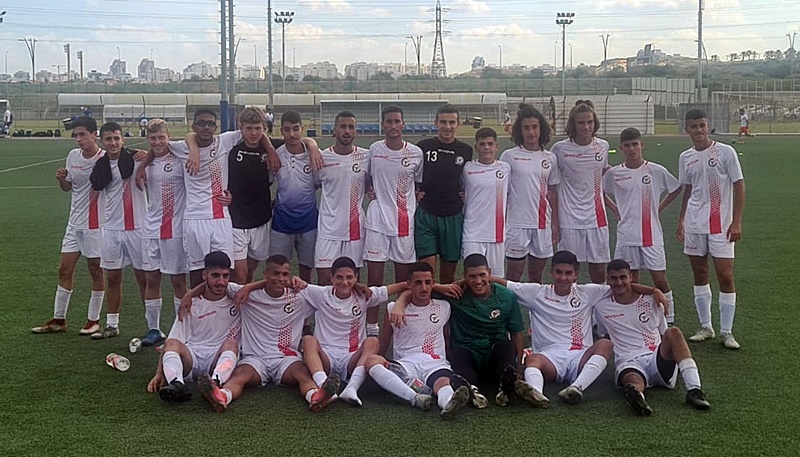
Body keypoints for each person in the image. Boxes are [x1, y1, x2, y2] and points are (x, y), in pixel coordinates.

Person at [187, 255, 338, 413]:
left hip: (286, 357)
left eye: (285, 274)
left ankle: (316, 397)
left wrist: (358, 288)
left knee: (303, 374)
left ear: (290, 276)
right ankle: (221, 396)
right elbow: (211, 285)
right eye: (276, 273)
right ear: (265, 274)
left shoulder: (300, 295)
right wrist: (188, 296)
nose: (280, 278)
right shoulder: (247, 294)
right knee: (240, 375)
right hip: (255, 358)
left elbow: (336, 290)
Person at [393, 253, 525, 407]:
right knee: (459, 354)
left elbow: (517, 333)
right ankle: (472, 389)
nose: (478, 281)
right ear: (465, 276)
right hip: (468, 352)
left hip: (493, 354)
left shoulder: (506, 296)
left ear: (489, 273)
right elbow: (419, 290)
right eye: (472, 276)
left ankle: (508, 382)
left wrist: (518, 367)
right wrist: (400, 302)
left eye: (482, 275)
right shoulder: (456, 293)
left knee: (507, 346)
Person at [595, 259, 711, 415]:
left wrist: (654, 291)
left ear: (631, 277)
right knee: (632, 379)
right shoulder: (601, 307)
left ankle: (694, 389)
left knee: (674, 332)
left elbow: (664, 332)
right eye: (614, 278)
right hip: (628, 360)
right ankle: (637, 397)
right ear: (608, 280)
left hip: (656, 357)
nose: (619, 282)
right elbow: (602, 333)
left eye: (623, 277)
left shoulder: (652, 300)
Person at [366, 262, 471, 420]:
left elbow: (446, 336)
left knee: (443, 383)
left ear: (433, 284)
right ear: (409, 284)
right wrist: (377, 366)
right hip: (405, 365)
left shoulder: (444, 307)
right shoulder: (394, 309)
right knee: (372, 360)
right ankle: (415, 397)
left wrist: (450, 360)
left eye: (428, 283)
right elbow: (385, 341)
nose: (424, 287)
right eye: (418, 283)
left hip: (434, 363)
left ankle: (449, 404)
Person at [677, 109, 746, 350]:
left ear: (708, 126)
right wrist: (681, 220)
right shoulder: (685, 157)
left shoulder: (725, 152)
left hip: (721, 225)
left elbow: (739, 185)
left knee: (725, 276)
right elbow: (688, 190)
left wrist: (736, 221)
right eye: (694, 126)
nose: (699, 130)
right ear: (687, 129)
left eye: (702, 125)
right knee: (700, 274)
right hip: (695, 224)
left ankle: (727, 331)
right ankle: (706, 326)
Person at [32, 116, 106, 335]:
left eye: (83, 134)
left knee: (95, 270)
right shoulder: (73, 155)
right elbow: (68, 188)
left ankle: (93, 320)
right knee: (64, 269)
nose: (78, 139)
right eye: (76, 135)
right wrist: (61, 179)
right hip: (74, 224)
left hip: (95, 224)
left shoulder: (104, 158)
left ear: (94, 135)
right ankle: (59, 319)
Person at [300, 256, 406, 407]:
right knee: (308, 340)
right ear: (331, 277)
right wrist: (296, 280)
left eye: (349, 277)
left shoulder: (364, 295)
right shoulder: (320, 293)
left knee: (372, 341)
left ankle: (351, 389)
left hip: (351, 358)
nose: (344, 282)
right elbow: (289, 282)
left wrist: (401, 302)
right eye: (339, 277)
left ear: (356, 277)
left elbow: (403, 286)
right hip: (325, 357)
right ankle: (324, 385)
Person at [603, 127, 681, 325]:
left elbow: (676, 187)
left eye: (635, 144)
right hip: (626, 236)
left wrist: (660, 206)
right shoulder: (615, 173)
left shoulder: (655, 170)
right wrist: (613, 208)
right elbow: (599, 192)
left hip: (651, 235)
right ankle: (635, 318)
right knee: (631, 280)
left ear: (641, 145)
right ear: (621, 148)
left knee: (660, 279)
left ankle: (669, 319)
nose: (631, 149)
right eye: (627, 145)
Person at [146, 251, 240, 403]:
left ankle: (215, 384)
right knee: (172, 343)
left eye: (225, 276)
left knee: (232, 343)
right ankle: (177, 385)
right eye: (215, 275)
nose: (221, 282)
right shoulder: (190, 304)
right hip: (192, 358)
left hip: (217, 358)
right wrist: (159, 373)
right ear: (205, 275)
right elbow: (172, 341)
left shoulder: (237, 297)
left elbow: (264, 286)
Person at [364, 105, 423, 335]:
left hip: (404, 222)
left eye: (397, 121)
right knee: (375, 278)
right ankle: (371, 327)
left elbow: (419, 185)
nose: (393, 125)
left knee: (403, 278)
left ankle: (401, 324)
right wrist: (369, 189)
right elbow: (366, 177)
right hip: (377, 220)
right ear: (383, 125)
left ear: (403, 124)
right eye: (389, 121)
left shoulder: (415, 153)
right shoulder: (374, 149)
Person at [89, 122, 149, 340]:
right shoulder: (100, 166)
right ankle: (112, 324)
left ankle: (152, 326)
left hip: (138, 228)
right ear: (102, 142)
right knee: (113, 278)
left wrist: (149, 156)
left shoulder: (137, 159)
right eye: (108, 139)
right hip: (112, 229)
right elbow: (95, 185)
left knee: (144, 278)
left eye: (116, 138)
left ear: (123, 139)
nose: (113, 143)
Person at [550, 100, 612, 284]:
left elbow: (601, 175)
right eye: (581, 123)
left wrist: (613, 206)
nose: (586, 127)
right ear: (573, 124)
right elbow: (550, 183)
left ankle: (598, 303)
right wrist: (554, 222)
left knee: (598, 270)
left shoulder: (603, 146)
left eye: (590, 122)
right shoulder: (559, 149)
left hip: (596, 217)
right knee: (567, 270)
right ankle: (570, 302)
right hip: (569, 219)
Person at [140, 119, 188, 342]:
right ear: (147, 139)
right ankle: (153, 329)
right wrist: (142, 164)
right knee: (151, 280)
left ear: (169, 137)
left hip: (175, 230)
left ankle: (181, 330)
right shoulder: (144, 161)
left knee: (178, 281)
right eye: (153, 138)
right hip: (151, 229)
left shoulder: (180, 160)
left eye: (161, 137)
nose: (157, 142)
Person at [500, 104, 560, 283]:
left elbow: (552, 191)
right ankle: (511, 304)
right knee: (513, 276)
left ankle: (535, 304)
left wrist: (555, 224)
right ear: (520, 130)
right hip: (516, 224)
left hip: (541, 224)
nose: (531, 132)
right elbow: (501, 191)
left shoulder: (550, 158)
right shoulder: (509, 156)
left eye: (535, 127)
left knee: (536, 276)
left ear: (541, 129)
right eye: (526, 128)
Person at [415, 104, 473, 284]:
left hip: (453, 215)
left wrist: (465, 193)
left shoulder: (466, 150)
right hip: (427, 214)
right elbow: (411, 174)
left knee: (448, 277)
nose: (447, 127)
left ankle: (444, 303)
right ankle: (427, 302)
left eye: (452, 122)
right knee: (427, 274)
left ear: (458, 124)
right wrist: (415, 191)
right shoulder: (423, 147)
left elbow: (468, 179)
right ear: (436, 123)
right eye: (443, 122)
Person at [314, 111, 370, 286]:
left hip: (354, 229)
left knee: (353, 281)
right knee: (325, 281)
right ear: (334, 130)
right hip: (327, 229)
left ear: (356, 131)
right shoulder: (322, 157)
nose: (347, 131)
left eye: (351, 127)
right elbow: (313, 185)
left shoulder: (366, 156)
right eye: (343, 126)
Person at [227, 107, 281, 284]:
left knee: (250, 270)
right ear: (240, 127)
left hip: (261, 219)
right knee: (239, 273)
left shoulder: (272, 148)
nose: (253, 133)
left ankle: (245, 298)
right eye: (249, 128)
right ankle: (236, 301)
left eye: (258, 128)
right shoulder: (231, 148)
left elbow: (304, 142)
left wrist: (270, 149)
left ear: (264, 128)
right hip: (236, 219)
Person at [269, 110, 318, 283]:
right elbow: (266, 182)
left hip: (308, 221)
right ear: (281, 130)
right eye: (287, 129)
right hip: (282, 222)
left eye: (295, 129)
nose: (292, 134)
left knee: (306, 270)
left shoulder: (314, 155)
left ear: (302, 129)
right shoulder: (276, 155)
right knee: (278, 270)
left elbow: (319, 183)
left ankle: (305, 299)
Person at [461, 127, 510, 277]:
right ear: (476, 147)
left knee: (495, 278)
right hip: (472, 232)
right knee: (473, 276)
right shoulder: (467, 168)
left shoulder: (505, 168)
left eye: (490, 144)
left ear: (496, 146)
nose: (486, 147)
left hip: (496, 233)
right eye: (482, 144)